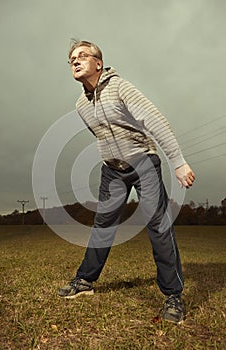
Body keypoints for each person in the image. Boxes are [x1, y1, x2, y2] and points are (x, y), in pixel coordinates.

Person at [58, 40, 195, 324]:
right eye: (71, 58)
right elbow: (101, 135)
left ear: (98, 62)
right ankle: (84, 281)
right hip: (112, 170)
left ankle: (173, 296)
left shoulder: (120, 87)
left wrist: (178, 162)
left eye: (82, 56)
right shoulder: (81, 104)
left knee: (158, 225)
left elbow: (154, 120)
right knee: (103, 225)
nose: (75, 60)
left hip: (143, 162)